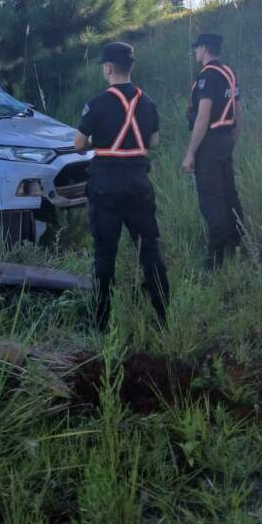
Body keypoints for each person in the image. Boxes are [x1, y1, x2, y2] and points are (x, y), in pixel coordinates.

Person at [74, 41, 169, 331]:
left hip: (106, 186)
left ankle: (100, 323)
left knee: (105, 254)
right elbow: (153, 142)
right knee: (150, 249)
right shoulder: (147, 101)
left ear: (109, 67)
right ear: (131, 67)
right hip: (138, 183)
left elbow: (79, 145)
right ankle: (164, 316)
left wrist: (97, 141)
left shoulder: (98, 102)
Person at [182, 32, 245, 269]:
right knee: (230, 194)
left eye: (197, 48)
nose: (195, 52)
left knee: (211, 199)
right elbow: (238, 112)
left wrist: (190, 154)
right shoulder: (229, 73)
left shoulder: (207, 76)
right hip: (226, 139)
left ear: (206, 49)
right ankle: (235, 244)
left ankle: (215, 259)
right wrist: (231, 139)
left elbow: (202, 117)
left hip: (208, 144)